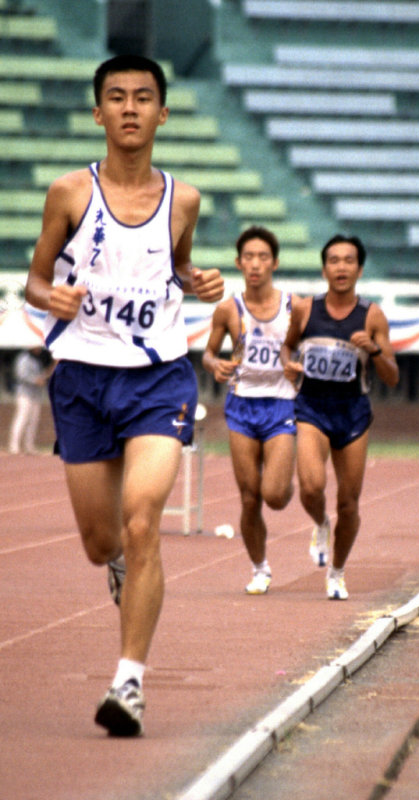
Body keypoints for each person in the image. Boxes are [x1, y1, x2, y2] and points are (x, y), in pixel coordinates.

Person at [24, 54, 224, 737]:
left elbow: (174, 264)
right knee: (100, 539)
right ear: (98, 113)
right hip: (81, 377)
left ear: (163, 113)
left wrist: (195, 279)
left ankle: (129, 684)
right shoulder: (67, 194)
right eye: (117, 97)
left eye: (144, 97)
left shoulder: (185, 199)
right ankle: (115, 565)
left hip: (157, 376)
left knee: (144, 523)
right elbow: (33, 279)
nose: (131, 107)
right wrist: (50, 295)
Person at [281, 234, 399, 600]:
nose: (341, 267)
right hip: (312, 407)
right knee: (311, 486)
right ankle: (320, 523)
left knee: (349, 503)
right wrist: (289, 365)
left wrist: (375, 350)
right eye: (334, 260)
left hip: (353, 413)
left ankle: (337, 571)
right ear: (324, 268)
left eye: (348, 261)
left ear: (359, 269)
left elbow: (392, 376)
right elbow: (287, 345)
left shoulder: (372, 315)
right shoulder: (305, 310)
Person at [202, 225, 300, 594]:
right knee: (248, 497)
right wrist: (215, 365)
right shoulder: (228, 309)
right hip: (242, 405)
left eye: (263, 257)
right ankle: (260, 568)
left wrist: (299, 366)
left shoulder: (295, 306)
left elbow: (308, 349)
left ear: (275, 262)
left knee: (273, 496)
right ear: (238, 263)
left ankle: (285, 477)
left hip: (280, 404)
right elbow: (209, 353)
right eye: (249, 257)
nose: (255, 264)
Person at [8, 346, 53, 454]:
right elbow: (21, 375)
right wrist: (35, 380)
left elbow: (40, 375)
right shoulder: (23, 358)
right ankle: (14, 445)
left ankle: (29, 446)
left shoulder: (36, 360)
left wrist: (47, 373)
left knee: (33, 421)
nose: (39, 349)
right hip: (24, 394)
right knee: (22, 419)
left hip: (36, 395)